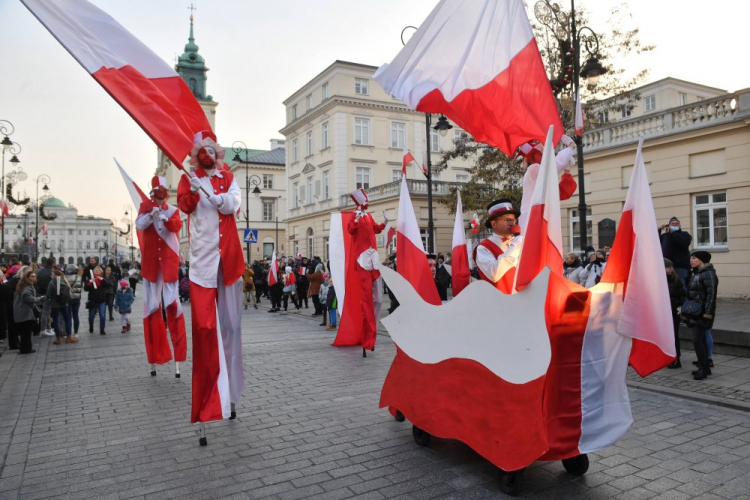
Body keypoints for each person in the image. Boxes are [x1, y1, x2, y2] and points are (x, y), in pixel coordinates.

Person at [177, 132, 245, 439]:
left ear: (216, 152)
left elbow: (233, 203)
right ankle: (206, 402)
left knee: (231, 328)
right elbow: (186, 207)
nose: (206, 154)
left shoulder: (228, 177)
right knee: (205, 331)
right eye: (201, 150)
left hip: (229, 263)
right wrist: (193, 190)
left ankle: (230, 392)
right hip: (203, 266)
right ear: (195, 153)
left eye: (210, 149)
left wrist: (219, 198)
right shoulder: (188, 178)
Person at [138, 175, 189, 378]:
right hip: (151, 264)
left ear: (166, 194)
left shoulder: (173, 210)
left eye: (162, 194)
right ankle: (155, 356)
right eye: (157, 194)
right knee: (151, 307)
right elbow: (140, 225)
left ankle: (178, 357)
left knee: (172, 304)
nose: (160, 198)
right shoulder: (145, 207)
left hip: (168, 263)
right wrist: (151, 215)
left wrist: (165, 219)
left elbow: (177, 226)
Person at [344, 189, 387, 357]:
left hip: (373, 257)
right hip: (363, 258)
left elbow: (376, 229)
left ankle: (372, 332)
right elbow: (351, 230)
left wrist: (385, 223)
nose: (367, 204)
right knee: (366, 299)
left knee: (377, 299)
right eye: (365, 202)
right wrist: (355, 218)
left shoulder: (368, 216)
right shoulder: (355, 216)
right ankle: (366, 337)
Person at [474, 199, 522, 293]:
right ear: (494, 224)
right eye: (507, 220)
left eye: (514, 220)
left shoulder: (519, 242)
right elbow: (494, 274)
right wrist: (516, 246)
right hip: (499, 303)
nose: (512, 223)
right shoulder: (483, 247)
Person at [684, 250, 718, 380]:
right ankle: (705, 368)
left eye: (694, 258)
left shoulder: (708, 274)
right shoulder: (697, 273)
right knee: (701, 340)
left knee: (697, 340)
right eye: (690, 258)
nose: (691, 260)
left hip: (702, 313)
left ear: (702, 260)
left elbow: (711, 296)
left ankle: (703, 369)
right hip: (695, 312)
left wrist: (707, 314)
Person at [665, 258, 686, 369]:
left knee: (673, 336)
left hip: (673, 312)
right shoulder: (660, 280)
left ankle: (676, 359)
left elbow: (682, 295)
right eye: (668, 267)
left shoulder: (676, 280)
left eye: (670, 267)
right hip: (663, 313)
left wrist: (680, 308)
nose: (670, 269)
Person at [659, 217, 692, 288]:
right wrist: (659, 230)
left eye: (676, 224)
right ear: (669, 225)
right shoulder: (665, 236)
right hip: (666, 266)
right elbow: (655, 241)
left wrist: (674, 233)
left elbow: (684, 243)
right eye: (672, 224)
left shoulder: (684, 234)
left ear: (680, 225)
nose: (674, 225)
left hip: (680, 266)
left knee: (681, 286)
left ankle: (683, 299)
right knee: (666, 288)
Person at [14, 269, 41, 354]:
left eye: (35, 276)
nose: (34, 278)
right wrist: (39, 299)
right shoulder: (27, 287)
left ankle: (24, 348)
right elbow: (28, 298)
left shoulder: (22, 285)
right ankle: (26, 349)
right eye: (32, 276)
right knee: (26, 332)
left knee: (24, 332)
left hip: (21, 312)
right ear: (27, 278)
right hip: (25, 312)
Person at [47, 269, 76, 345]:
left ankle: (58, 339)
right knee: (67, 320)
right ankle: (69, 337)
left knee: (56, 321)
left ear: (55, 276)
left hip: (54, 305)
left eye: (52, 275)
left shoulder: (52, 282)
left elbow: (48, 295)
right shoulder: (64, 281)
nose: (51, 276)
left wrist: (49, 301)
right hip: (64, 304)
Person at [84, 266, 108, 335]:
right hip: (93, 301)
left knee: (102, 316)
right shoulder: (89, 279)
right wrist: (90, 282)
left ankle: (102, 330)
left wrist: (101, 279)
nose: (97, 271)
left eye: (98, 270)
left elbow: (108, 284)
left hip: (102, 301)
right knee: (91, 317)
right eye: (95, 270)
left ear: (101, 272)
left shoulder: (102, 279)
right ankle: (91, 326)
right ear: (93, 272)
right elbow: (85, 288)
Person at [36, 257, 55, 337]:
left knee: (46, 312)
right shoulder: (51, 272)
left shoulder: (39, 271)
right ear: (52, 264)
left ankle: (48, 328)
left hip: (40, 293)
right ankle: (43, 329)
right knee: (45, 312)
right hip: (48, 294)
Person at [65, 264, 83, 337]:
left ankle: (68, 333)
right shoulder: (79, 277)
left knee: (68, 316)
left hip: (68, 299)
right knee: (75, 315)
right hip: (76, 299)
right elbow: (81, 287)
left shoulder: (65, 277)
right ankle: (76, 333)